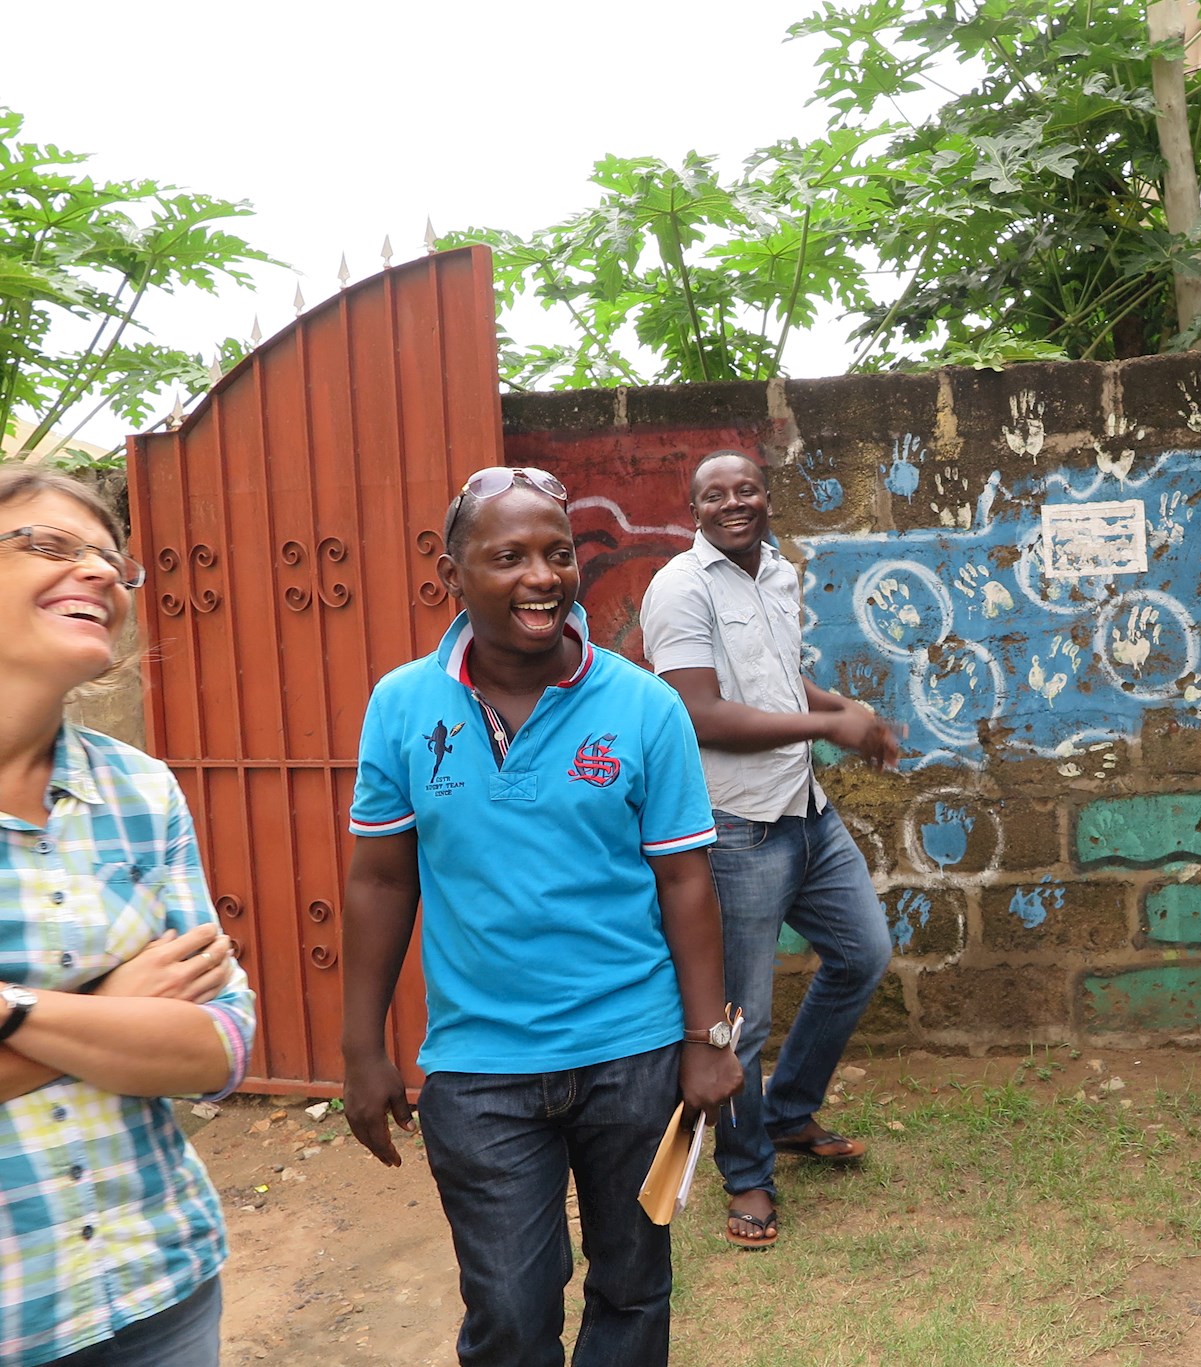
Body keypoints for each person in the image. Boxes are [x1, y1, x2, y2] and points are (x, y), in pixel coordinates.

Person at [341, 466, 741, 1366]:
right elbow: (379, 881)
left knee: (634, 1287)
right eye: (509, 555)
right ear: (452, 573)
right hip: (481, 1071)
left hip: (632, 1058)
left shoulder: (645, 706)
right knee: (511, 1314)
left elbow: (685, 882)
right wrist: (362, 1049)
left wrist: (707, 1039)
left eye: (558, 553)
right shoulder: (403, 705)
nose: (542, 576)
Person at [0, 469, 255, 1366]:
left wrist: (17, 1010)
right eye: (49, 544)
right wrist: (116, 1006)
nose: (100, 571)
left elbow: (219, 1045)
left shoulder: (137, 787)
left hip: (162, 1291)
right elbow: (163, 1038)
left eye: (110, 557)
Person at [639, 451, 899, 1251]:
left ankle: (787, 1112)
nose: (732, 502)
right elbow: (700, 712)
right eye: (714, 494)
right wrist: (829, 727)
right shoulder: (680, 589)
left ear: (766, 496)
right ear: (694, 509)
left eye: (745, 488)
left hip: (805, 811)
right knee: (738, 1019)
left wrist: (836, 705)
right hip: (738, 825)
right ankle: (746, 1171)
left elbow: (777, 676)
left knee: (863, 954)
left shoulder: (778, 573)